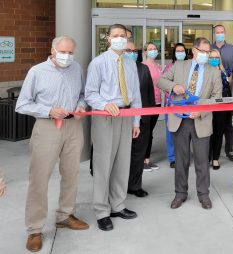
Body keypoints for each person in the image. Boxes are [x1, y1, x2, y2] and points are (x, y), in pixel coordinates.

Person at [15, 36, 89, 252]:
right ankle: (34, 229)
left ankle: (65, 215)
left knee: (71, 173)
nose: (67, 57)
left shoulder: (76, 69)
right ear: (53, 50)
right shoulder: (37, 72)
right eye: (63, 52)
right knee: (39, 178)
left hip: (73, 127)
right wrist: (48, 110)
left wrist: (81, 106)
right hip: (47, 127)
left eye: (71, 52)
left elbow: (82, 94)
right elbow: (22, 104)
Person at [85, 24, 142, 231]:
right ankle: (101, 211)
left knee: (122, 163)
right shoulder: (98, 63)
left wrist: (136, 121)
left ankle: (118, 205)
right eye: (115, 36)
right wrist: (104, 104)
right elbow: (90, 93)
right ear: (108, 39)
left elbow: (135, 95)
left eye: (123, 36)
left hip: (126, 116)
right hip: (106, 117)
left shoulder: (130, 64)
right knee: (103, 164)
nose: (119, 39)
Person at [157, 37, 222, 210]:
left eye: (208, 52)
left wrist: (201, 111)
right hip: (180, 121)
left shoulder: (214, 71)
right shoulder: (179, 66)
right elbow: (160, 81)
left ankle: (203, 194)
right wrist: (173, 87)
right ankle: (180, 193)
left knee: (202, 161)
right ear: (194, 51)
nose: (206, 55)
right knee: (181, 160)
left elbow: (217, 98)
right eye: (203, 52)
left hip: (201, 121)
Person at [125, 41, 156, 197]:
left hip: (142, 120)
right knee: (122, 156)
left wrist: (148, 117)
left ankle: (135, 185)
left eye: (134, 50)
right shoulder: (117, 68)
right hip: (121, 120)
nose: (132, 53)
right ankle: (119, 186)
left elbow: (150, 94)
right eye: (128, 50)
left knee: (138, 155)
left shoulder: (143, 69)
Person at [211, 24, 233, 162]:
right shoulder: (210, 49)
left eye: (222, 32)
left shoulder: (232, 49)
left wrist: (232, 95)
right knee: (213, 124)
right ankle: (212, 152)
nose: (220, 34)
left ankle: (229, 150)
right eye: (217, 32)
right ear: (214, 34)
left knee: (228, 123)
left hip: (227, 91)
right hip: (211, 94)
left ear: (225, 33)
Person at [163, 43, 188, 168]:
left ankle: (184, 156)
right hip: (172, 104)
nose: (180, 53)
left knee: (185, 132)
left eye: (182, 50)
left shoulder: (190, 66)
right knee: (171, 131)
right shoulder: (169, 67)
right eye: (178, 51)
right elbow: (163, 83)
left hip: (187, 104)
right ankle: (172, 157)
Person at [209, 49, 233, 170]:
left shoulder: (225, 72)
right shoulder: (205, 72)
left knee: (218, 132)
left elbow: (229, 89)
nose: (214, 60)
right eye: (211, 58)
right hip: (208, 106)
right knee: (208, 133)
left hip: (222, 106)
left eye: (216, 58)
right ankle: (207, 157)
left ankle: (215, 158)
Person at [142, 42, 162, 171]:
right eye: (150, 49)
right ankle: (142, 160)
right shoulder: (142, 66)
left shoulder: (159, 66)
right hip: (147, 103)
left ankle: (147, 159)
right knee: (145, 132)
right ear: (145, 52)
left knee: (150, 132)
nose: (153, 51)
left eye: (155, 49)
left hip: (158, 103)